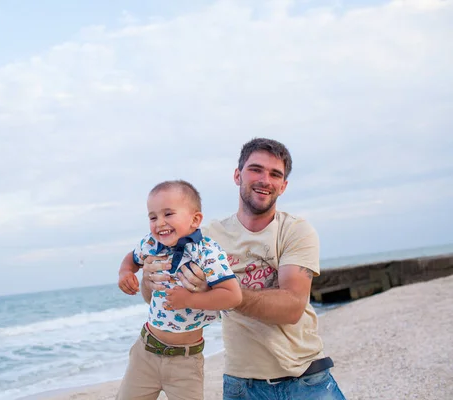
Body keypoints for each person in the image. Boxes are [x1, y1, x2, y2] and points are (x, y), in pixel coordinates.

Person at [119, 138, 347, 399]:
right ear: (238, 175)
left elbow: (293, 307)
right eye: (255, 169)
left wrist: (215, 291)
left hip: (306, 379)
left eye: (275, 174)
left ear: (283, 186)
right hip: (242, 383)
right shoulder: (202, 237)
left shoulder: (295, 231)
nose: (265, 179)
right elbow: (159, 298)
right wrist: (146, 280)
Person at [116, 180, 242, 400]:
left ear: (195, 220)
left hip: (186, 362)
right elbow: (131, 258)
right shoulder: (150, 244)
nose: (159, 223)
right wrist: (125, 272)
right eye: (153, 217)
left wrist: (189, 300)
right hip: (145, 352)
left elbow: (232, 295)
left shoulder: (207, 252)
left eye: (168, 214)